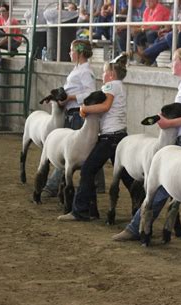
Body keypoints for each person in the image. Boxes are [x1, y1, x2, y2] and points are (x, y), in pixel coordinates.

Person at [112, 46, 181, 241]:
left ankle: (136, 228)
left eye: (174, 60)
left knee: (161, 186)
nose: (171, 64)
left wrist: (168, 123)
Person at [58, 54, 135, 221]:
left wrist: (84, 109)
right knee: (125, 175)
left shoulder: (109, 87)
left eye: (104, 72)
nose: (102, 75)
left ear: (111, 74)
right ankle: (141, 204)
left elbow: (105, 106)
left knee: (87, 170)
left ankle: (80, 211)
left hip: (109, 137)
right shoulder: (120, 86)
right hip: (120, 135)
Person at [41, 40, 105, 198]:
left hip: (79, 113)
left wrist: (69, 97)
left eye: (71, 50)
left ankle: (51, 186)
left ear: (80, 52)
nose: (69, 53)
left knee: (70, 151)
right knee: (83, 150)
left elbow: (90, 93)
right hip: (73, 112)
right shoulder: (79, 70)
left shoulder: (85, 72)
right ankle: (98, 184)